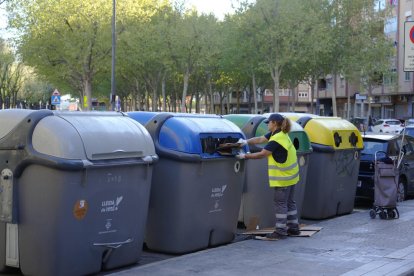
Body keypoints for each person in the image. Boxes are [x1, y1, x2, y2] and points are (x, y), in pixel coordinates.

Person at [236, 113, 300, 240]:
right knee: (290, 202)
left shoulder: (276, 139)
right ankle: (294, 228)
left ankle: (281, 231)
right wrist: (245, 142)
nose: (268, 125)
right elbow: (260, 139)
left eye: (269, 123)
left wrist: (245, 156)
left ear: (274, 123)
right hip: (291, 176)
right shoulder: (279, 135)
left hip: (283, 178)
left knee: (280, 203)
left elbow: (262, 154)